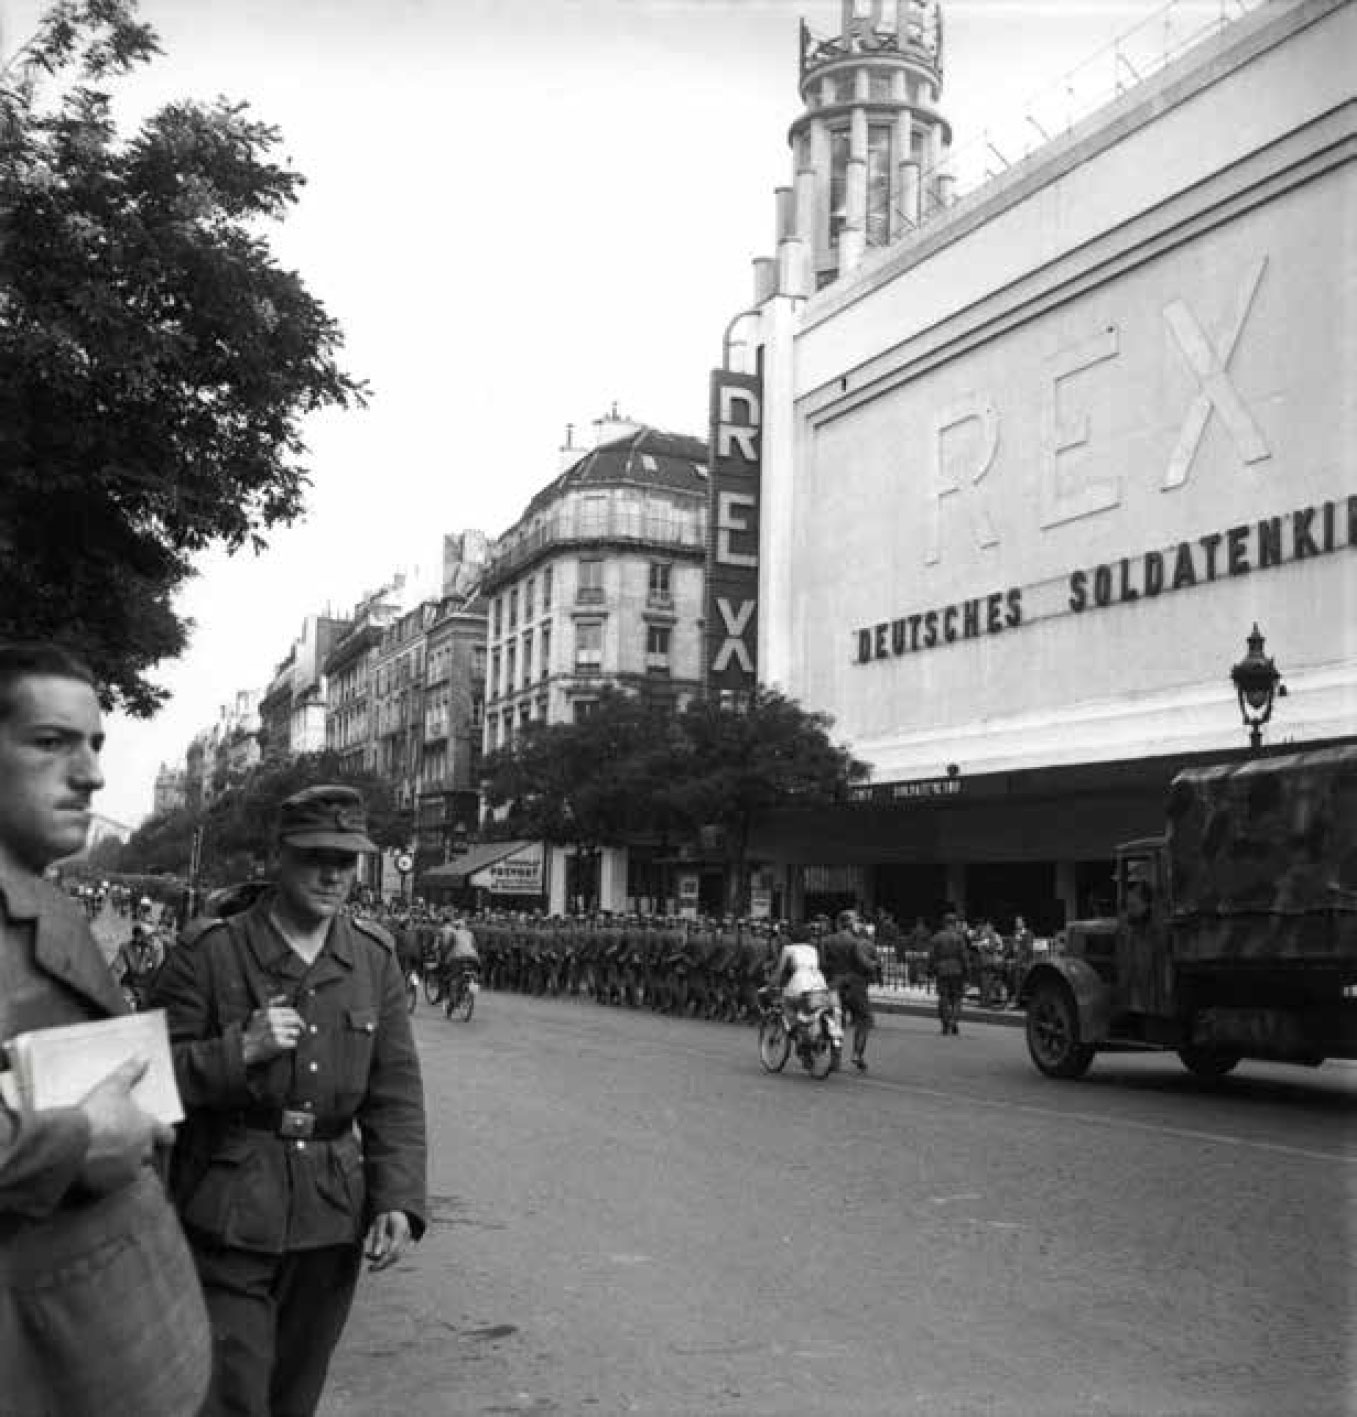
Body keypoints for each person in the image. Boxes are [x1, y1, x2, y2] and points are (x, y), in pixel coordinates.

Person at [150, 783, 428, 1417]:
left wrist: (399, 1199)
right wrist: (235, 1052)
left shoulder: (372, 958)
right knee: (233, 1397)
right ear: (278, 855)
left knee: (292, 1398)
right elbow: (140, 1081)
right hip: (226, 1208)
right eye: (316, 856)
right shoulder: (210, 952)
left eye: (347, 859)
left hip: (329, 1218)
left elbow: (394, 1093)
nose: (333, 874)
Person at [0, 641, 210, 1416]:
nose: (90, 773)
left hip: (100, 1339)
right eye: (51, 741)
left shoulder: (45, 893)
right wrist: (77, 1141)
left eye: (94, 744)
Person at [768, 926, 842, 1063]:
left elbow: (779, 971)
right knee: (812, 1010)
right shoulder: (813, 949)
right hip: (819, 982)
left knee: (787, 1005)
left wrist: (771, 985)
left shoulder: (788, 949)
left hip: (800, 983)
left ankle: (800, 1039)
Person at [821, 908, 882, 1071]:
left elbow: (822, 964)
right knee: (864, 1019)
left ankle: (835, 1060)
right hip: (855, 985)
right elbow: (864, 963)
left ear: (839, 923)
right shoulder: (857, 942)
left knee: (836, 1022)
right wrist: (875, 965)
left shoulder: (827, 941)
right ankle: (857, 1054)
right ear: (851, 924)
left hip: (834, 984)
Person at [930, 910, 968, 1035]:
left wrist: (930, 970)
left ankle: (945, 1024)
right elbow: (964, 957)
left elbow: (932, 956)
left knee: (943, 998)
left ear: (944, 923)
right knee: (957, 998)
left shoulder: (937, 937)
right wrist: (967, 972)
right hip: (957, 970)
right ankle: (954, 1022)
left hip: (942, 970)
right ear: (955, 923)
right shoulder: (959, 938)